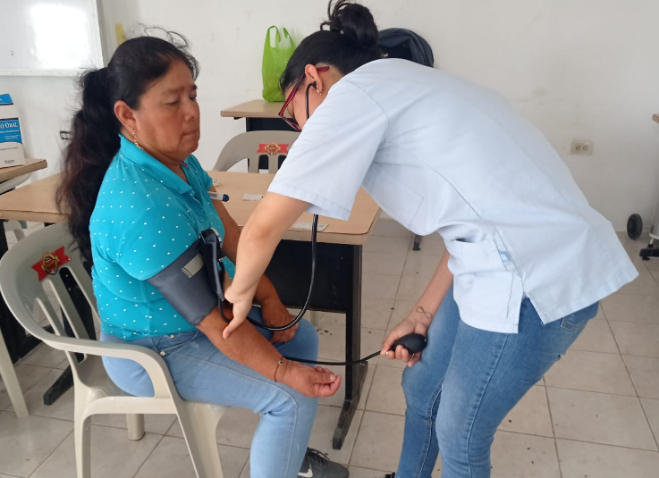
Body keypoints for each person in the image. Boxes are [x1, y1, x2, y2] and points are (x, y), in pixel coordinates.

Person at [222, 1, 639, 477]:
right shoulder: (408, 82)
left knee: (461, 434)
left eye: (291, 111)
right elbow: (469, 220)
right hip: (499, 257)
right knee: (423, 389)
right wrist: (422, 313)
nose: (298, 128)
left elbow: (263, 226)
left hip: (537, 277)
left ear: (315, 78)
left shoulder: (354, 94)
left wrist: (237, 300)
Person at [56, 31, 350, 478]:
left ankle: (287, 455)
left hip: (193, 321)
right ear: (127, 115)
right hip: (152, 350)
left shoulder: (180, 162)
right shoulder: (141, 206)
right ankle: (285, 441)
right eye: (172, 102)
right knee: (289, 395)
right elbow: (213, 321)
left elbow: (232, 238)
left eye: (192, 95)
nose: (192, 112)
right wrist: (284, 374)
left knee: (301, 338)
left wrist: (269, 298)